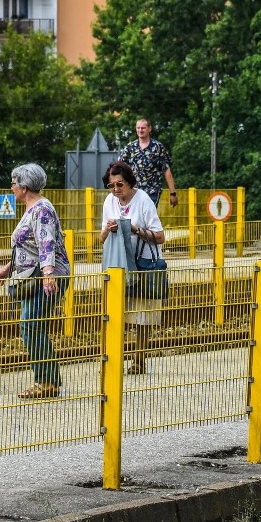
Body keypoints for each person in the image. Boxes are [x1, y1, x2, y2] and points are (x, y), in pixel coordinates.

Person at [0, 163, 70, 399]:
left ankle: (46, 382)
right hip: (33, 276)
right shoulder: (32, 209)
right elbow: (28, 247)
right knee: (31, 326)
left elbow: (46, 244)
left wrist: (48, 274)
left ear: (24, 187)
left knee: (32, 325)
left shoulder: (41, 209)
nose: (11, 186)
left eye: (13, 182)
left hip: (43, 277)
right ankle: (47, 380)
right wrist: (8, 269)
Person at [100, 160, 166, 375]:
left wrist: (135, 229)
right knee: (116, 311)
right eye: (112, 186)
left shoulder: (143, 200)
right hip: (119, 264)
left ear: (129, 182)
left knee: (141, 313)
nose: (116, 190)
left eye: (120, 185)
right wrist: (110, 229)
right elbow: (100, 238)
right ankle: (114, 357)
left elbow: (160, 237)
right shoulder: (109, 202)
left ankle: (139, 359)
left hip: (142, 262)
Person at [119, 117, 177, 208]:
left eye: (143, 128)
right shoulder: (130, 148)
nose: (140, 130)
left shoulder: (158, 147)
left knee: (147, 218)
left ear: (149, 129)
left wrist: (173, 193)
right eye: (138, 128)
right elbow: (120, 168)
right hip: (134, 191)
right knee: (136, 219)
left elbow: (167, 171)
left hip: (152, 191)